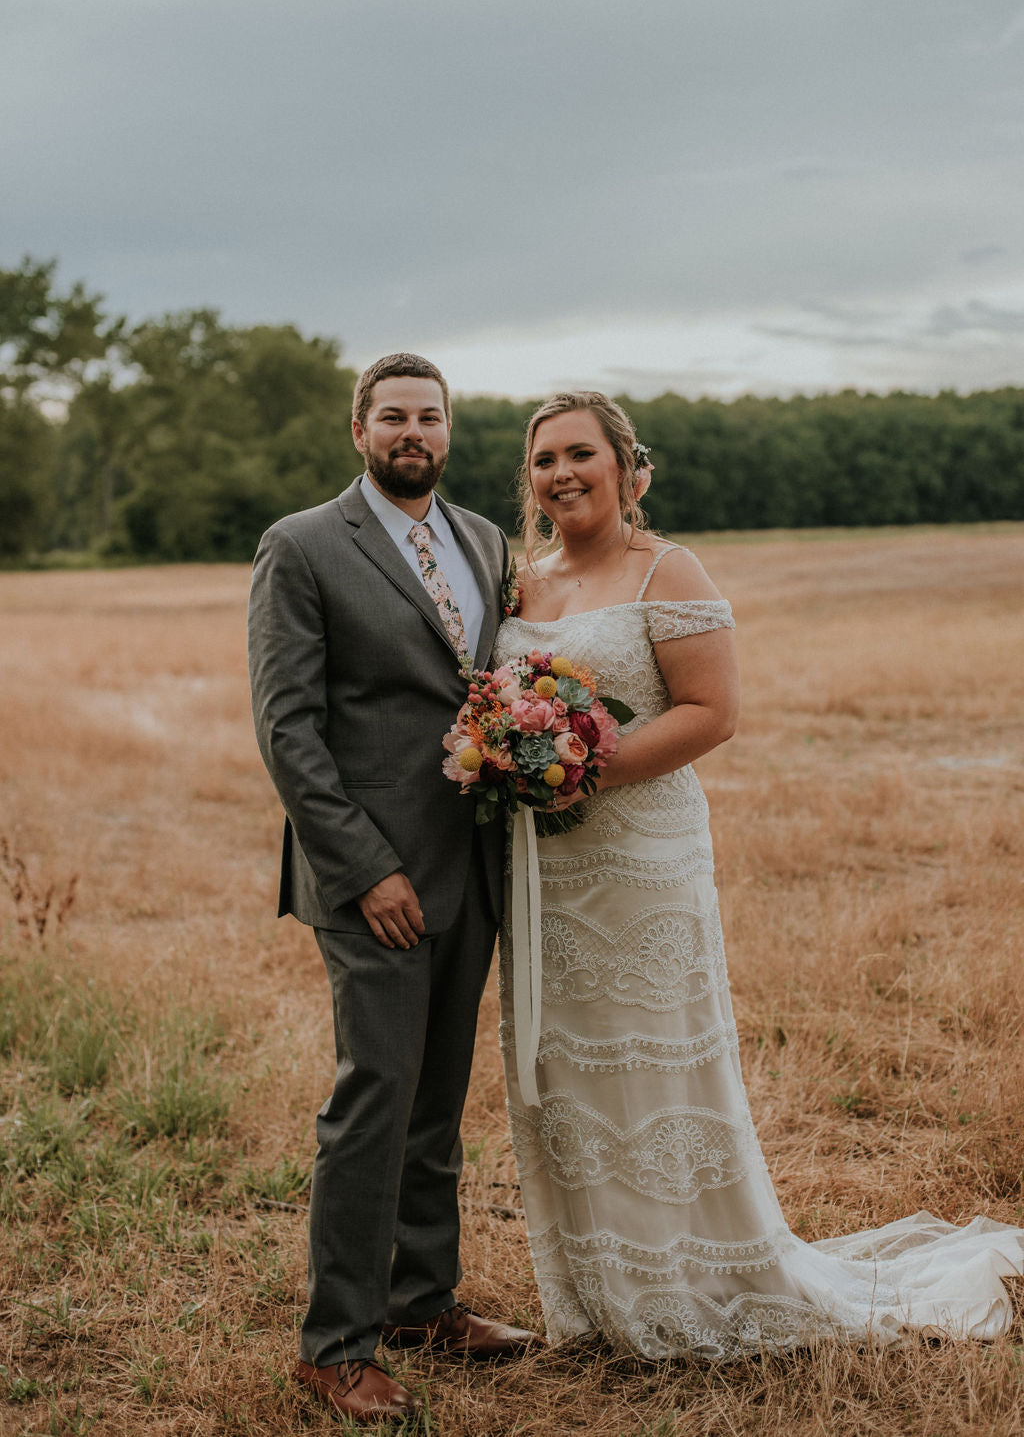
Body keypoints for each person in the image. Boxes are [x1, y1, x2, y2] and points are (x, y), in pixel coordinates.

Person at [494, 390, 1024, 1359]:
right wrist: (513, 762)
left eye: (580, 453)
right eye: (543, 460)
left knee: (658, 1066)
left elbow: (711, 711)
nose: (560, 473)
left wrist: (581, 766)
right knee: (564, 1074)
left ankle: (695, 1282)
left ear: (624, 465)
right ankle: (607, 1296)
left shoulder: (666, 568)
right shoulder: (520, 584)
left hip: (640, 863)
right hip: (546, 874)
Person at [248, 352, 541, 1425]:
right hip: (371, 873)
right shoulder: (303, 545)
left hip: (472, 861)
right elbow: (287, 727)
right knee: (372, 1097)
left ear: (450, 432)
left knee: (437, 1098)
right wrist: (364, 865)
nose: (411, 431)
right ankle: (334, 1344)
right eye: (392, 417)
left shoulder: (481, 538)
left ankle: (423, 1301)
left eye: (429, 415)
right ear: (358, 429)